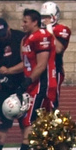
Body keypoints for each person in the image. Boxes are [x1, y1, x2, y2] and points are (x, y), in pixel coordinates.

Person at [0, 17, 28, 150]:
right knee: (1, 120)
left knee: (25, 119)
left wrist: (9, 71)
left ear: (8, 29)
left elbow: (26, 62)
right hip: (2, 86)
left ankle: (27, 147)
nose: (2, 38)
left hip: (20, 83)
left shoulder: (20, 38)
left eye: (4, 34)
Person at [19, 8, 58, 142]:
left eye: (25, 21)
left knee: (31, 120)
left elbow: (41, 64)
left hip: (42, 83)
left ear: (35, 22)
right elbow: (25, 63)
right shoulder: (25, 39)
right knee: (45, 121)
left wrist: (28, 81)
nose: (22, 24)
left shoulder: (41, 36)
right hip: (32, 83)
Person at [41, 0, 71, 102]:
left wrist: (49, 29)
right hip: (38, 69)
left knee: (51, 99)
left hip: (54, 69)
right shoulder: (38, 30)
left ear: (54, 16)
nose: (44, 20)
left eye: (47, 17)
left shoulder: (61, 29)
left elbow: (58, 49)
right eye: (42, 17)